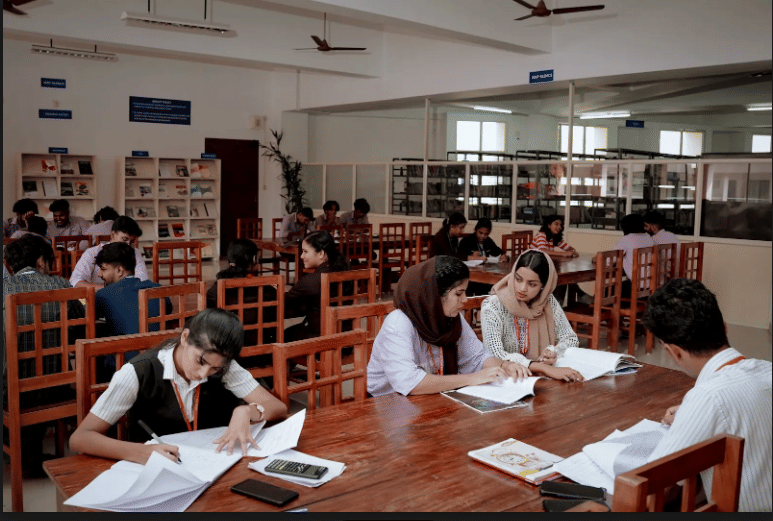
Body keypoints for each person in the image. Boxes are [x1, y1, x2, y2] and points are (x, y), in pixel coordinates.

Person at [69, 308, 289, 463]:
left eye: (214, 369)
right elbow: (81, 438)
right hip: (159, 469)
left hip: (214, 467)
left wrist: (249, 411)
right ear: (185, 337)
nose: (203, 374)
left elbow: (277, 407)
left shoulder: (225, 367)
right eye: (200, 361)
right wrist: (140, 453)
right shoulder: (138, 372)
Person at [643, 279, 771, 512]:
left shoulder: (707, 398)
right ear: (724, 327)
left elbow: (654, 486)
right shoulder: (767, 369)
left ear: (674, 351)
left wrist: (694, 413)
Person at [367, 256, 524, 397]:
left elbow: (476, 356)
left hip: (432, 397)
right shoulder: (399, 324)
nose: (464, 300)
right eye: (458, 294)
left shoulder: (452, 318)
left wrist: (504, 365)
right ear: (434, 295)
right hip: (387, 404)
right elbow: (410, 383)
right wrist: (471, 379)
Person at [3, 234, 85, 476]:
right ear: (41, 261)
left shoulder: (4, 288)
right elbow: (80, 329)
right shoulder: (60, 285)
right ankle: (29, 455)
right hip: (54, 386)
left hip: (10, 390)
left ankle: (19, 452)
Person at [481, 250, 583, 382]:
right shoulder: (493, 305)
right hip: (506, 379)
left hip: (541, 379)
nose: (522, 288)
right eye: (518, 279)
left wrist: (553, 351)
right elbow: (494, 354)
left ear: (543, 286)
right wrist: (541, 367)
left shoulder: (547, 301)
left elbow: (570, 339)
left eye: (532, 284)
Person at [94, 242, 171, 338]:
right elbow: (168, 310)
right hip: (158, 350)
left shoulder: (103, 295)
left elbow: (91, 317)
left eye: (103, 269)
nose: (99, 274)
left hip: (124, 351)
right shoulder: (159, 289)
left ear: (119, 270)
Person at [284, 231, 350, 342]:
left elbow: (285, 300)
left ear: (321, 254)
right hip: (346, 336)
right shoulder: (344, 270)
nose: (301, 256)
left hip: (322, 341)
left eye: (305, 251)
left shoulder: (312, 280)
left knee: (282, 336)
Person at [70, 216, 148, 288]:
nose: (127, 245)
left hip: (126, 297)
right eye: (124, 240)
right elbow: (75, 281)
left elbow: (142, 279)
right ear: (113, 235)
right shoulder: (92, 252)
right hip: (98, 297)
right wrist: (110, 291)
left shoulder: (134, 252)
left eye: (132, 242)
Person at [613, 213, 655, 298]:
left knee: (603, 293)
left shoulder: (627, 239)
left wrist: (596, 259)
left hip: (637, 287)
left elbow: (610, 260)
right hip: (653, 285)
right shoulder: (649, 238)